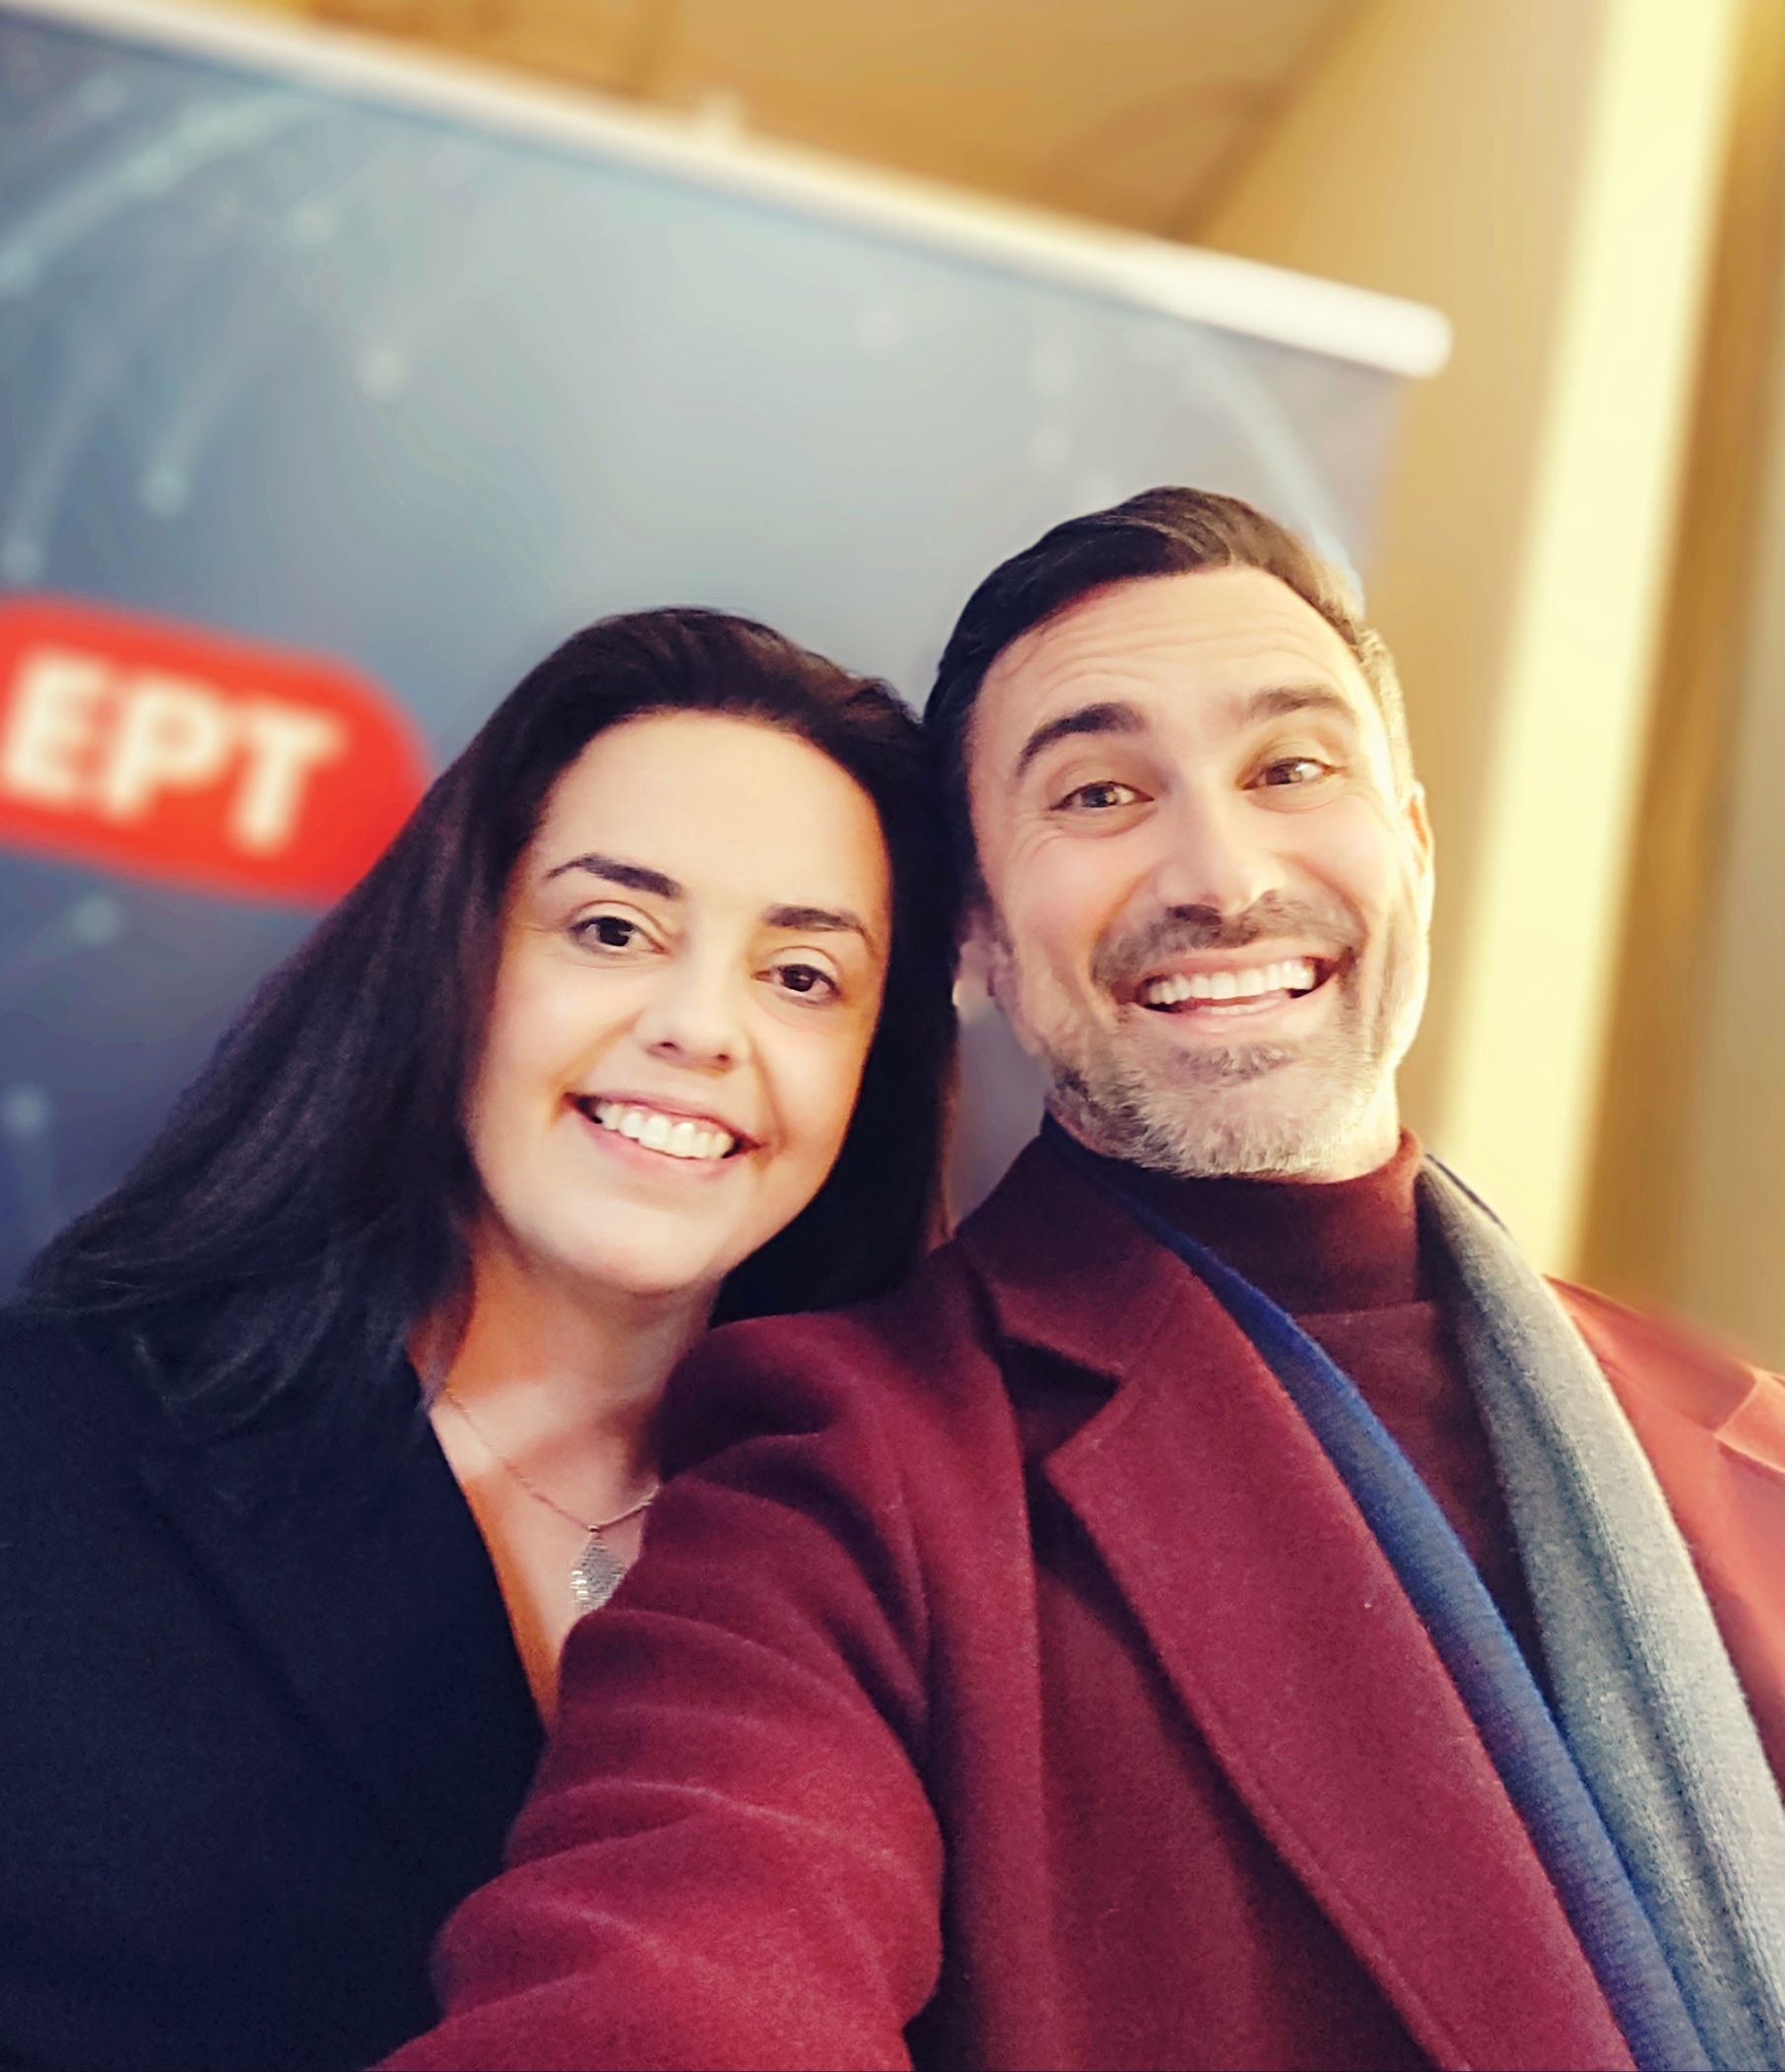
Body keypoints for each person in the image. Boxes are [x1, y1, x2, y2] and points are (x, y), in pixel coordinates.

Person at [388, 490, 1785, 2072]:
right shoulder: (837, 1471)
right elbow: (673, 1978)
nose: (1221, 874)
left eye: (1291, 768)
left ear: (1412, 841)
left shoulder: (1744, 1437)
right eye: (1102, 793)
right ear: (980, 942)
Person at [0, 607, 956, 2072]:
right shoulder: (47, 1446)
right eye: (613, 930)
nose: (701, 1028)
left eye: (802, 976)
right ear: (460, 956)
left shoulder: (896, 1551)